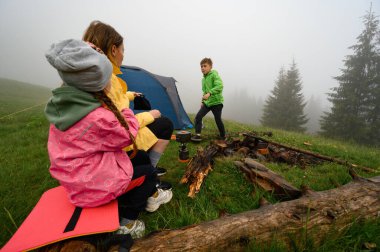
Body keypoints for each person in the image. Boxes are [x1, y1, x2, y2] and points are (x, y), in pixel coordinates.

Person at [44, 39, 173, 238]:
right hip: (92, 186)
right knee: (147, 174)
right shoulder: (98, 117)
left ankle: (137, 195)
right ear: (98, 83)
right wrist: (124, 109)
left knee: (137, 159)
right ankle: (126, 224)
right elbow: (127, 135)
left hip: (74, 179)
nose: (110, 82)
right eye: (107, 78)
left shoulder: (65, 107)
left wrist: (89, 51)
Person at [83, 21, 173, 183]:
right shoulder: (106, 79)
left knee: (157, 122)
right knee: (165, 124)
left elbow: (113, 101)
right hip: (117, 146)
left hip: (96, 146)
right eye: (123, 50)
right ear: (113, 49)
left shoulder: (88, 74)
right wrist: (150, 115)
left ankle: (144, 167)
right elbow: (119, 124)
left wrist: (131, 95)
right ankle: (149, 173)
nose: (123, 55)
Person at [191, 58, 226, 142]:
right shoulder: (203, 80)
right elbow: (205, 92)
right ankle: (198, 135)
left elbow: (220, 86)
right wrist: (203, 101)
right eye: (201, 66)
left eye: (205, 66)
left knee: (218, 119)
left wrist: (210, 93)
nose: (202, 68)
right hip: (208, 102)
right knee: (198, 117)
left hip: (217, 102)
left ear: (210, 67)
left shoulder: (214, 75)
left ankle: (223, 136)